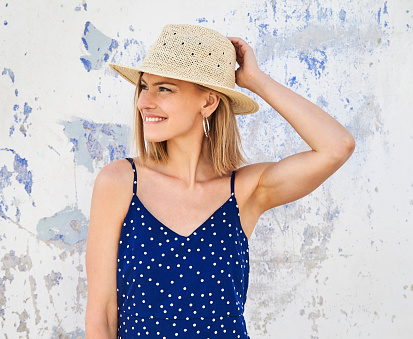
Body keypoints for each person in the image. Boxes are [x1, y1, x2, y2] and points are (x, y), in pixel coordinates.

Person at [85, 24, 354, 338]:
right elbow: (101, 316)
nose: (145, 101)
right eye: (144, 87)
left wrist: (255, 80)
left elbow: (338, 146)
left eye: (164, 89)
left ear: (209, 102)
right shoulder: (120, 182)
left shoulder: (243, 191)